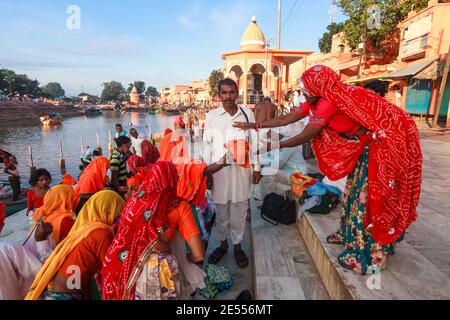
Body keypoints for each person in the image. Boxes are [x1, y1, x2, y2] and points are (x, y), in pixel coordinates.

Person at [234, 65, 422, 275]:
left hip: (381, 148)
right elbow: (285, 119)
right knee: (352, 193)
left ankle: (371, 255)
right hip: (365, 148)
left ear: (318, 87)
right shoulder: (314, 101)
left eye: (306, 89)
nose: (303, 93)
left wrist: (277, 145)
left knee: (370, 200)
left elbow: (306, 134)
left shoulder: (328, 101)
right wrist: (254, 126)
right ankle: (350, 235)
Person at [101, 161, 205, 300]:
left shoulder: (134, 199)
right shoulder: (179, 205)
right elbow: (199, 254)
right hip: (158, 273)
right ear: (173, 179)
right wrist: (188, 258)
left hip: (122, 267)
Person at [203, 78, 261, 269]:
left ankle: (237, 246)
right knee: (221, 213)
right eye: (224, 93)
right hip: (219, 174)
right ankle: (222, 244)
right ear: (219, 95)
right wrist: (207, 173)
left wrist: (258, 168)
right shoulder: (211, 116)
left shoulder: (247, 114)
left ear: (237, 93)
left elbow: (255, 143)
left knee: (239, 210)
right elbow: (207, 146)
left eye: (231, 92)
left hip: (242, 174)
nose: (228, 97)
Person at [25, 191, 125, 300]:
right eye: (119, 213)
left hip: (57, 289)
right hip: (65, 295)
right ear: (109, 211)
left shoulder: (86, 228)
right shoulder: (102, 233)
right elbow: (111, 268)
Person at [255, 121, 308, 201]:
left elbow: (277, 164)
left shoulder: (287, 143)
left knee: (266, 172)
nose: (268, 135)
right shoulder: (278, 142)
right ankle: (271, 198)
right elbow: (269, 158)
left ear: (277, 133)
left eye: (270, 132)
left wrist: (261, 165)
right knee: (262, 170)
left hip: (300, 178)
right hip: (291, 174)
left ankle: (273, 199)